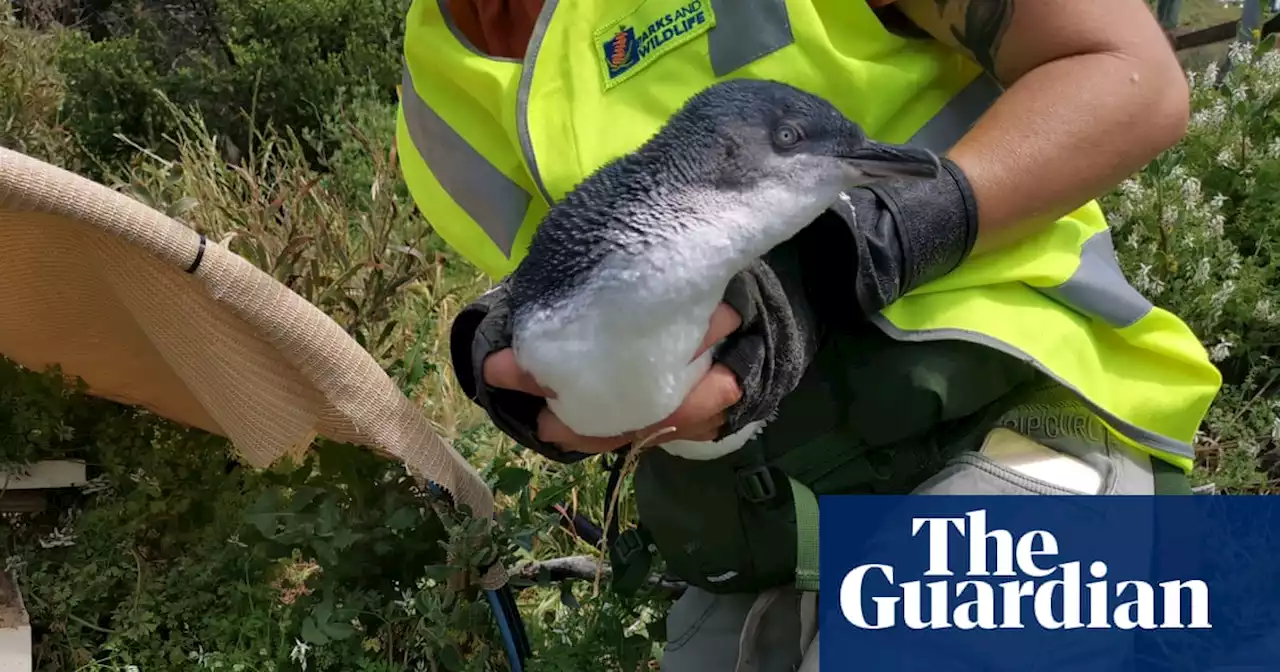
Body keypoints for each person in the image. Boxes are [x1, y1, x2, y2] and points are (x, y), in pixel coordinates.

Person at [396, 1, 1223, 669]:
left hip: (1004, 418)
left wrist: (846, 256)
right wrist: (523, 358)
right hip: (766, 516)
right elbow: (587, 259)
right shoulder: (435, 91)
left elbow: (1129, 73)